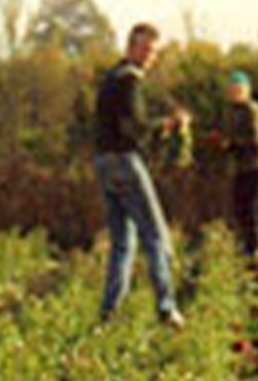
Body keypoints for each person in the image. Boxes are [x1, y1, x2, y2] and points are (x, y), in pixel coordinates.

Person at [93, 22, 184, 328]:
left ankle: (109, 314)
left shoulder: (111, 78)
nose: (149, 56)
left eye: (153, 51)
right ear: (131, 47)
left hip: (103, 163)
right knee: (156, 236)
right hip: (123, 161)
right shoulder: (130, 81)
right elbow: (134, 127)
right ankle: (166, 307)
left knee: (122, 242)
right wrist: (168, 126)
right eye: (145, 49)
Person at [215, 70, 258, 257]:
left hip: (256, 163)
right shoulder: (231, 110)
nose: (234, 92)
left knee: (248, 206)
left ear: (246, 90)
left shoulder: (252, 110)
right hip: (242, 165)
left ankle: (256, 248)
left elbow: (256, 139)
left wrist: (231, 143)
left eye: (238, 89)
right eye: (232, 89)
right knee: (239, 206)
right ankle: (248, 246)